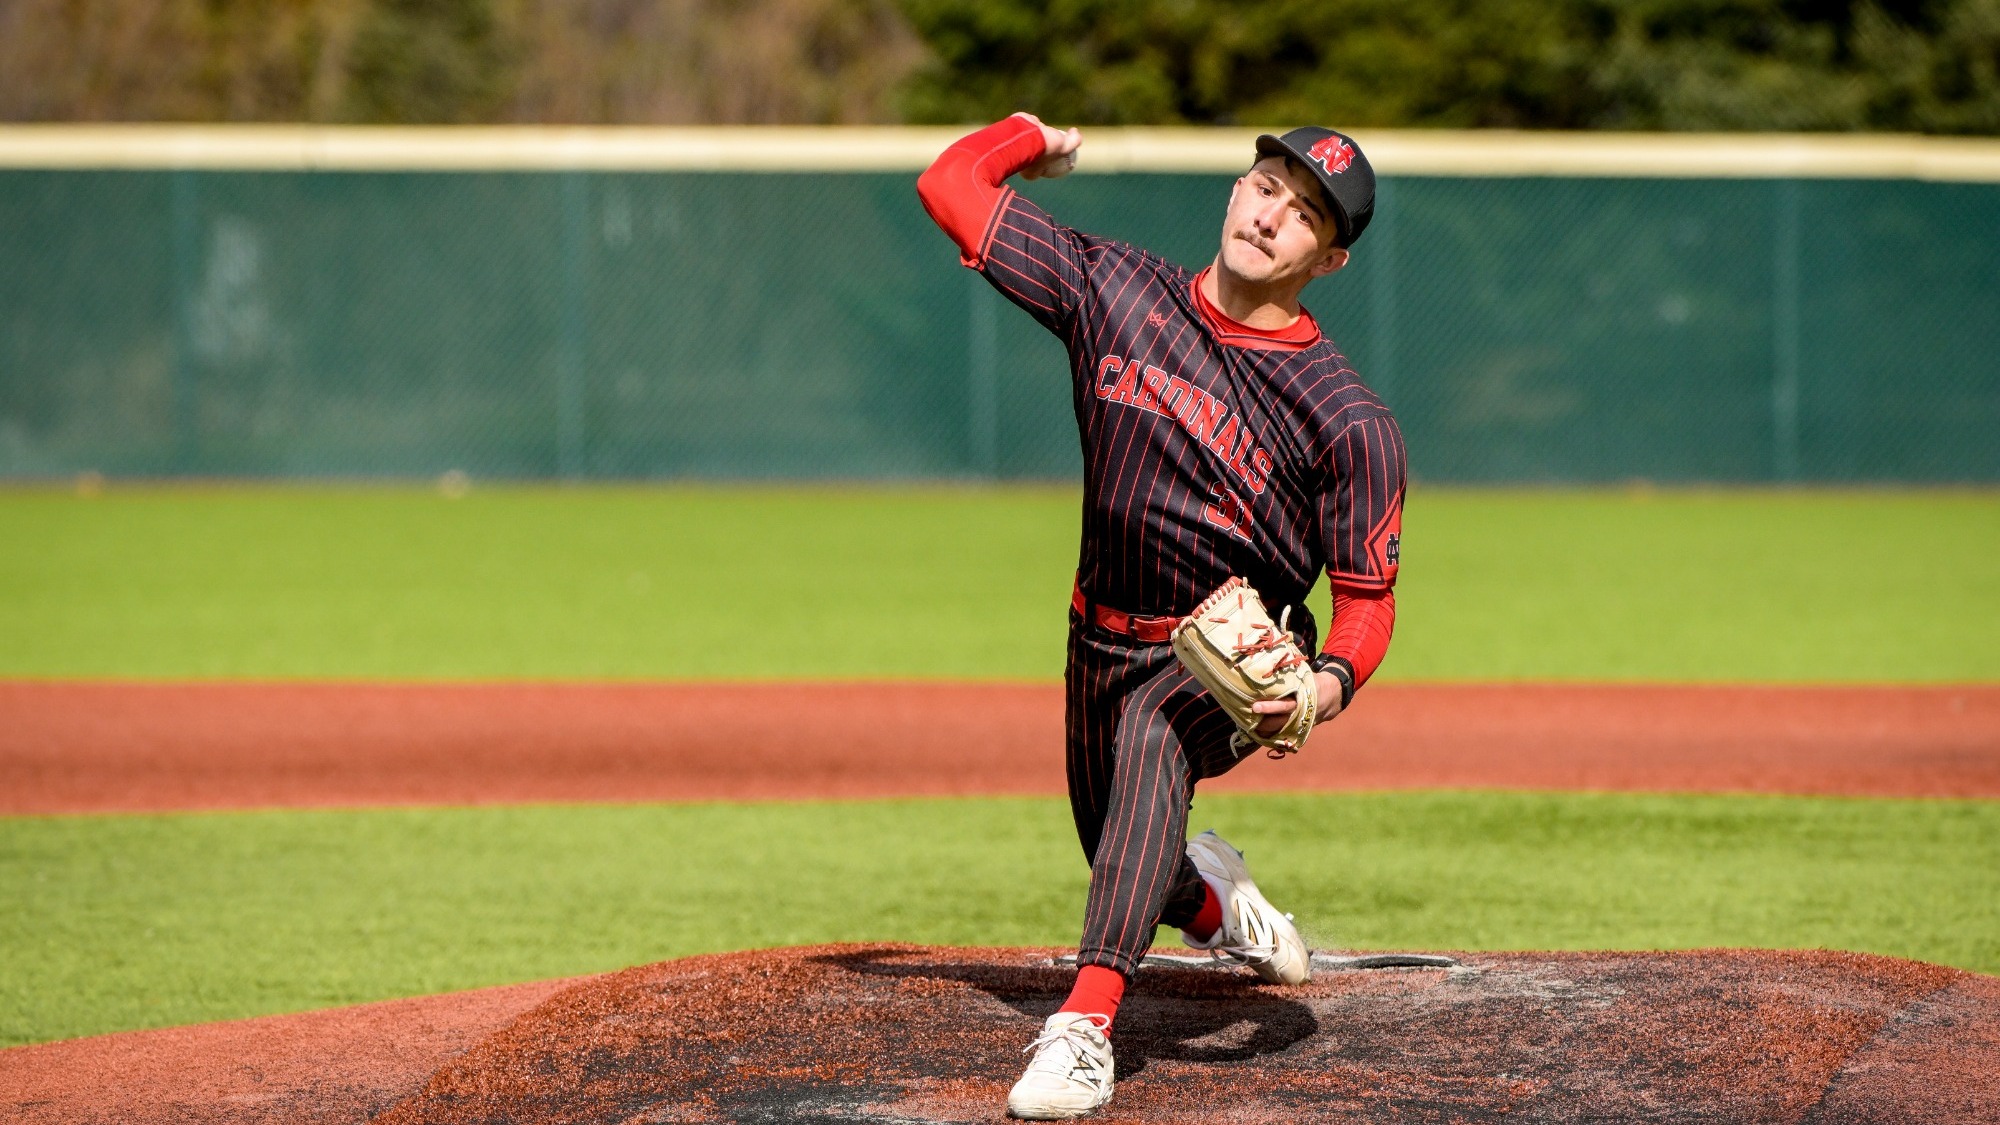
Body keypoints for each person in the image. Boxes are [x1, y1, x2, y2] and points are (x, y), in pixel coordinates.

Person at [916, 113, 1405, 1120]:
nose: (1270, 216)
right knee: (1119, 851)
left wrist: (1322, 686)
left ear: (1330, 260)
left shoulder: (1346, 419)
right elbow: (949, 185)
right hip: (1098, 632)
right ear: (1235, 189)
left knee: (1153, 733)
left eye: (1304, 214)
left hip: (1228, 655)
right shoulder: (1113, 290)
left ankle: (1083, 1028)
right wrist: (1031, 137)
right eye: (1265, 186)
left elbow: (1366, 600)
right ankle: (1213, 901)